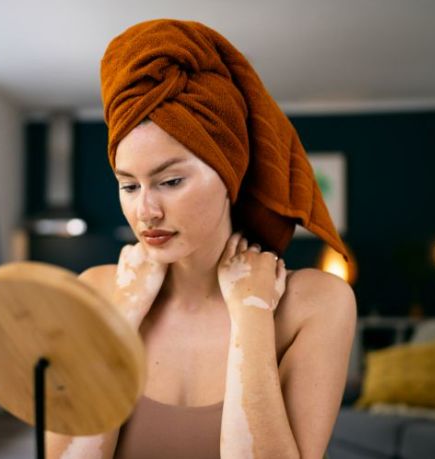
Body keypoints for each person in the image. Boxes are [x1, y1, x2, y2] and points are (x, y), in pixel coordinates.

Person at [47, 19, 356, 459]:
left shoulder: (316, 303)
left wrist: (251, 316)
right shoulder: (93, 292)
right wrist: (121, 317)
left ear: (229, 175)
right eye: (129, 186)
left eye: (170, 181)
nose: (145, 212)